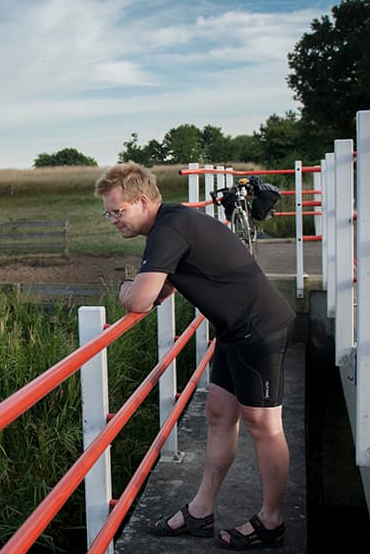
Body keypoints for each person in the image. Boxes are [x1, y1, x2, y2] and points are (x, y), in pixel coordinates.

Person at [95, 163, 296, 550]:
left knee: (264, 425)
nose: (112, 220)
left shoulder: (168, 230)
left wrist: (125, 287)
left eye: (117, 211)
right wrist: (148, 287)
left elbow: (139, 300)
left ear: (141, 201)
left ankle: (272, 521)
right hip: (234, 329)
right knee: (219, 414)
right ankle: (201, 512)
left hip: (260, 329)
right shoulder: (173, 223)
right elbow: (165, 287)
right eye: (108, 213)